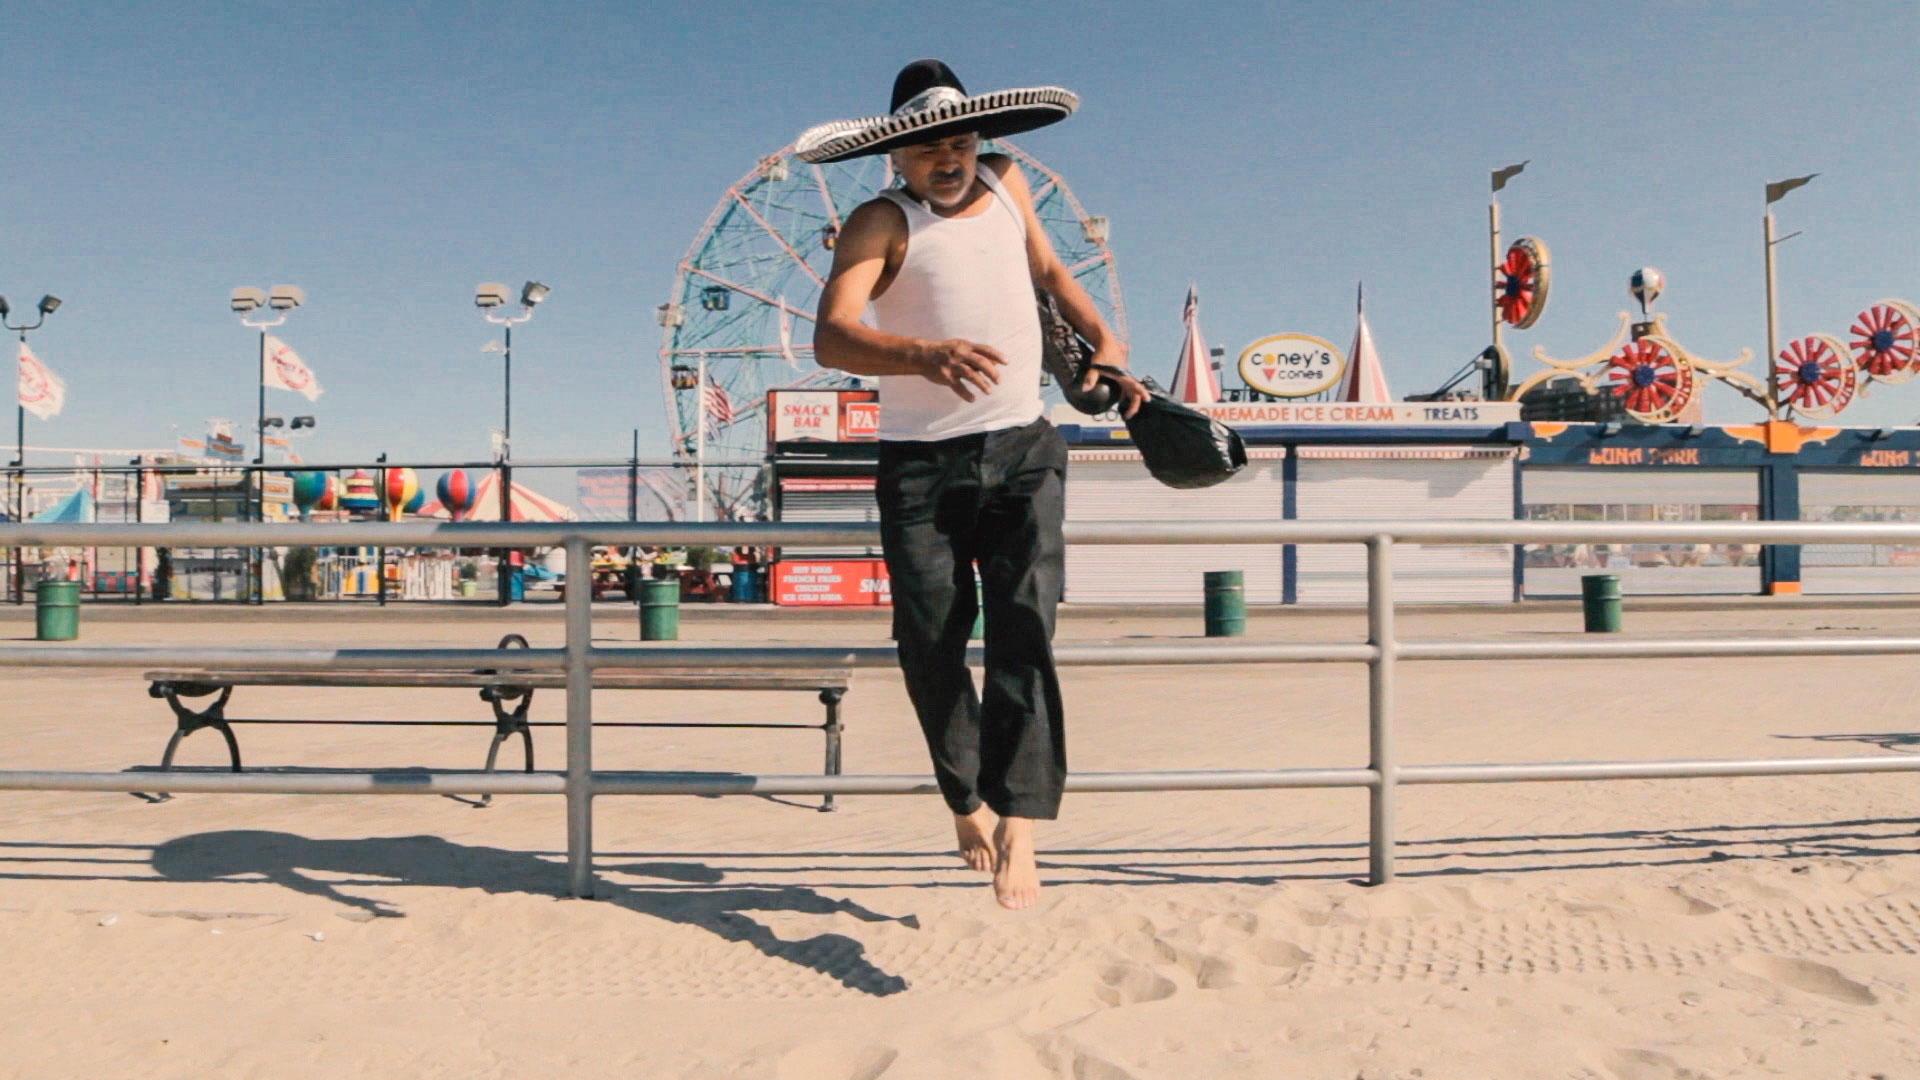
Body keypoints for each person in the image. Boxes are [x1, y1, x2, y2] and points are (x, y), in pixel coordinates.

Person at [800, 60, 1148, 909]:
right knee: (931, 643)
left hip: (1023, 445)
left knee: (1026, 630)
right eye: (928, 148)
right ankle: (965, 800)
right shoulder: (879, 223)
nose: (948, 158)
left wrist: (1107, 344)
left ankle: (1020, 826)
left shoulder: (1005, 181)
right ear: (895, 156)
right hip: (921, 462)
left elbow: (1050, 274)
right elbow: (832, 338)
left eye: (960, 141)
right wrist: (923, 354)